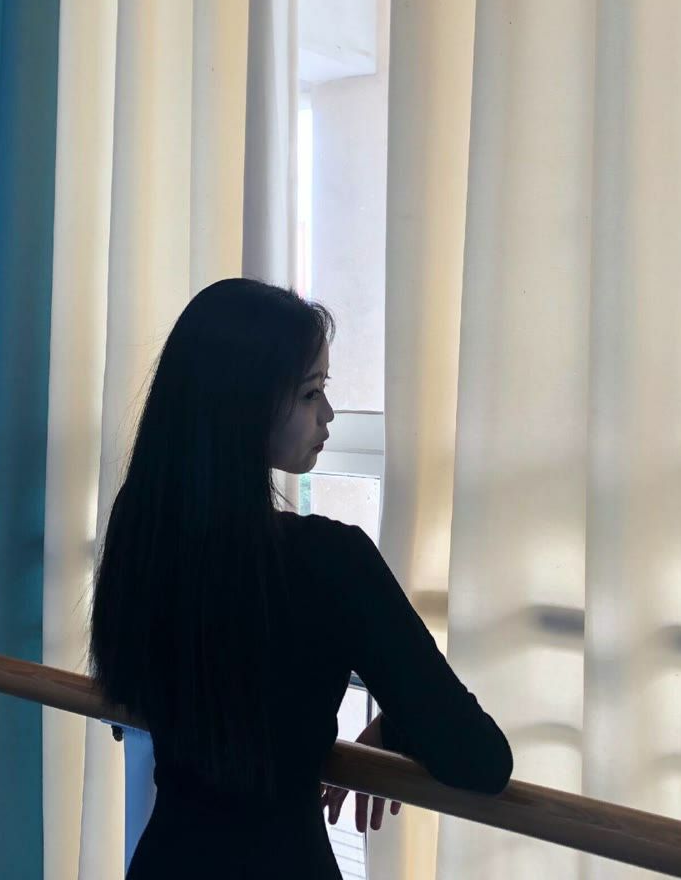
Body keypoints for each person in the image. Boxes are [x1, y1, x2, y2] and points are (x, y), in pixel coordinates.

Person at [90, 278, 512, 879]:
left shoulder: (142, 527)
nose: (329, 415)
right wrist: (401, 722)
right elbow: (482, 760)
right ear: (245, 404)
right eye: (312, 392)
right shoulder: (330, 561)